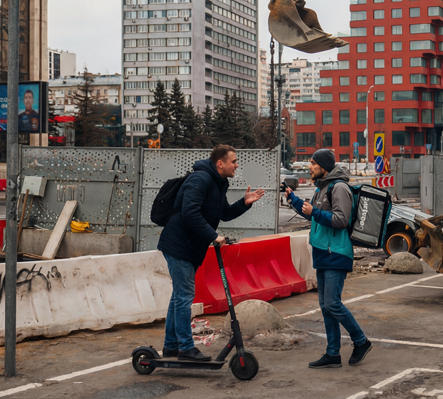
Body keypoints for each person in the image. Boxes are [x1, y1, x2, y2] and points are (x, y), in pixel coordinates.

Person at [156, 145, 265, 362]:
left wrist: (244, 203)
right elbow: (189, 212)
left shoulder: (218, 182)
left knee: (179, 297)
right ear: (220, 164)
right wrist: (212, 236)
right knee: (184, 297)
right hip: (179, 245)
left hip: (188, 246)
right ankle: (186, 349)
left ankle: (171, 346)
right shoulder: (201, 179)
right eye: (233, 161)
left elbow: (222, 213)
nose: (237, 165)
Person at [285, 148, 373, 369]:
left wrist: (314, 212)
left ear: (324, 166)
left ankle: (361, 341)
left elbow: (341, 220)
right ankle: (333, 353)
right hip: (323, 251)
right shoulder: (322, 188)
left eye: (313, 163)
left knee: (332, 303)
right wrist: (293, 200)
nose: (310, 166)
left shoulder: (339, 187)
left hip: (337, 252)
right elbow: (312, 212)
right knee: (325, 305)